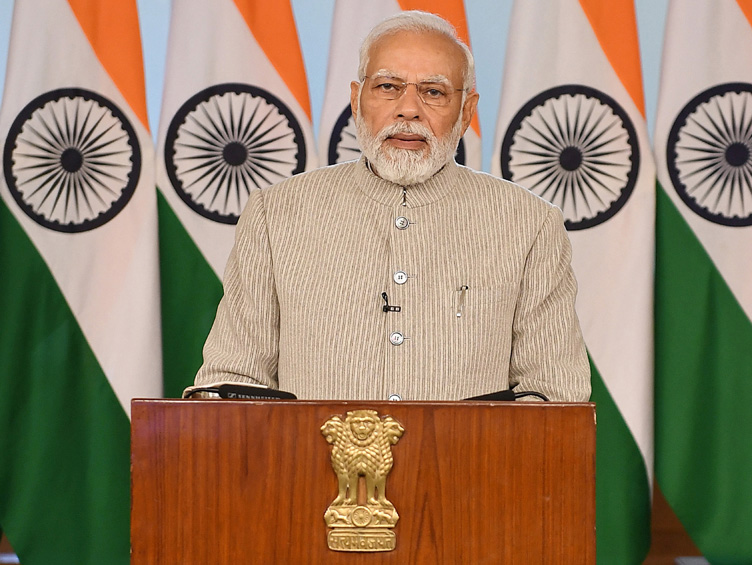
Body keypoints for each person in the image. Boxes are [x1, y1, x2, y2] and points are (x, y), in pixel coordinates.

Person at [192, 11, 591, 402]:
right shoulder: (274, 213)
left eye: (433, 92)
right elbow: (232, 381)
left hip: (467, 469)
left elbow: (554, 396)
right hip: (310, 468)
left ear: (467, 112)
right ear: (356, 99)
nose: (408, 109)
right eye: (387, 87)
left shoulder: (530, 223)